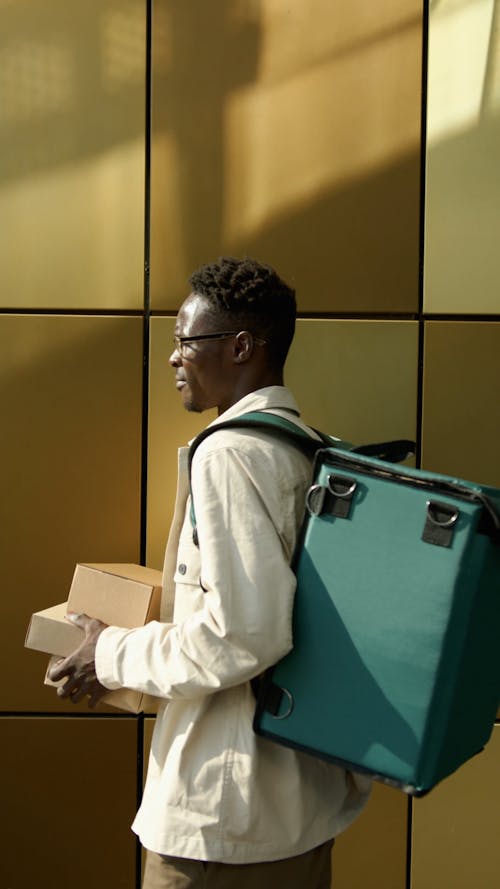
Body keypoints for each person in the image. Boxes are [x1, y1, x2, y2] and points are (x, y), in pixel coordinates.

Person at [49, 257, 371, 888]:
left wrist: (107, 654)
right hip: (300, 808)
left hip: (221, 822)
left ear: (241, 347)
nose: (172, 357)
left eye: (184, 341)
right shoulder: (305, 447)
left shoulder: (230, 452)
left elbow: (244, 632)